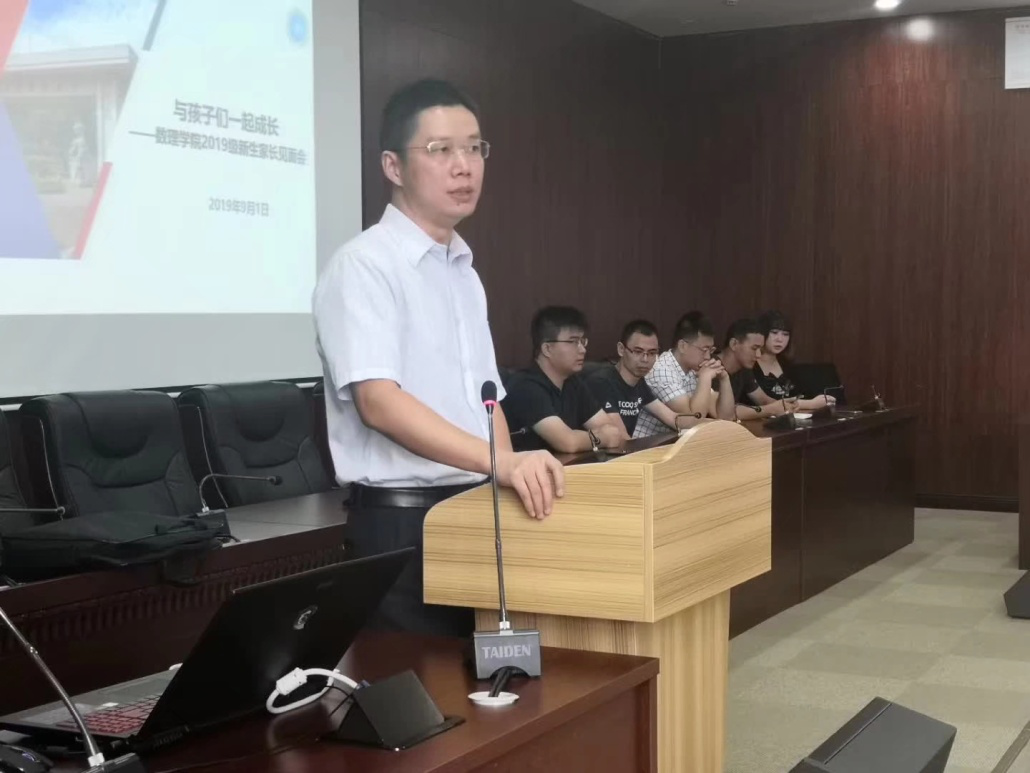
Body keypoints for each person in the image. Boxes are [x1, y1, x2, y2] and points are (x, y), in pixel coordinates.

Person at [312, 79, 564, 638]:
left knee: (491, 684)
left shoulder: (464, 273)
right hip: (401, 526)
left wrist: (507, 478)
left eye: (474, 148)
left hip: (474, 511)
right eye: (440, 149)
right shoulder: (364, 266)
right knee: (422, 685)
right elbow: (379, 403)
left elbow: (487, 401)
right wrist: (501, 464)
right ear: (393, 166)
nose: (464, 166)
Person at [502, 306, 629, 453]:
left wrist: (595, 437)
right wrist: (601, 438)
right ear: (547, 349)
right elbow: (567, 442)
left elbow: (611, 430)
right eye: (573, 342)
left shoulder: (573, 383)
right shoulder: (525, 387)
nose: (582, 349)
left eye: (582, 341)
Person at [587, 319, 703, 437]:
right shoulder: (601, 382)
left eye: (652, 353)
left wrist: (708, 426)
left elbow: (673, 419)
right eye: (638, 352)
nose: (645, 359)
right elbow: (621, 437)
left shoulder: (639, 383)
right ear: (621, 349)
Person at [639, 311, 735, 434]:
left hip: (675, 440)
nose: (708, 356)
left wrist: (724, 379)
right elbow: (693, 421)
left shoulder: (693, 369)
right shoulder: (661, 370)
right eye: (704, 350)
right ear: (682, 346)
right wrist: (705, 378)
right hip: (647, 441)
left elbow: (727, 418)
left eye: (710, 350)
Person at [718, 318, 799, 421]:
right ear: (734, 344)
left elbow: (762, 399)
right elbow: (726, 413)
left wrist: (785, 405)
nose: (758, 355)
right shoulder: (712, 366)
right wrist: (771, 409)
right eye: (754, 348)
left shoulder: (744, 368)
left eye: (760, 349)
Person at [754, 310, 836, 410]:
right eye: (774, 333)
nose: (780, 339)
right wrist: (809, 404)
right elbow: (765, 403)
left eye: (785, 334)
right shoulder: (750, 364)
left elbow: (800, 395)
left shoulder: (786, 364)